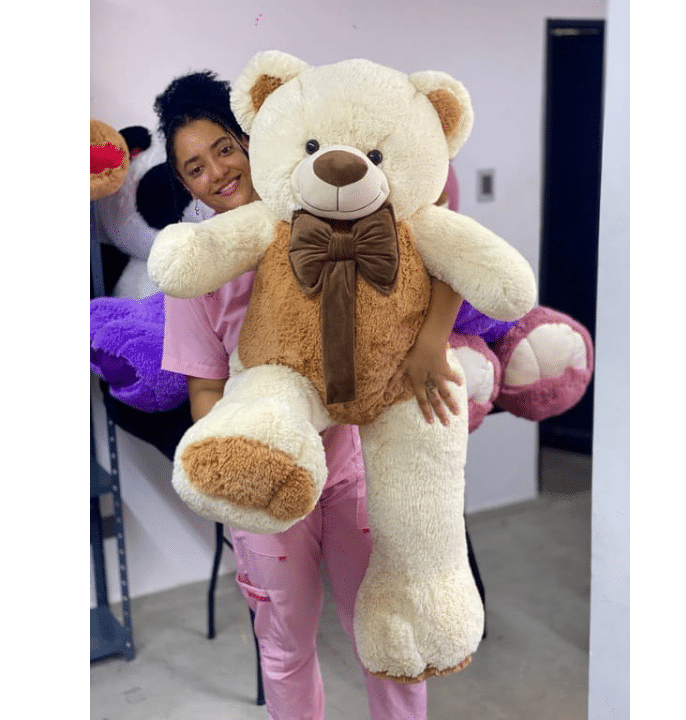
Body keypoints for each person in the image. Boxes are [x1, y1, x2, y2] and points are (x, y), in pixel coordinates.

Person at [157, 70, 465, 720]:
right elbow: (205, 390)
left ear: (253, 139)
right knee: (285, 644)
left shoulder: (333, 207)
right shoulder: (198, 267)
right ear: (184, 185)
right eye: (194, 167)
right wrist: (242, 466)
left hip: (356, 468)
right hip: (271, 486)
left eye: (223, 148)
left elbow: (440, 236)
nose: (216, 172)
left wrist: (432, 340)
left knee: (387, 633)